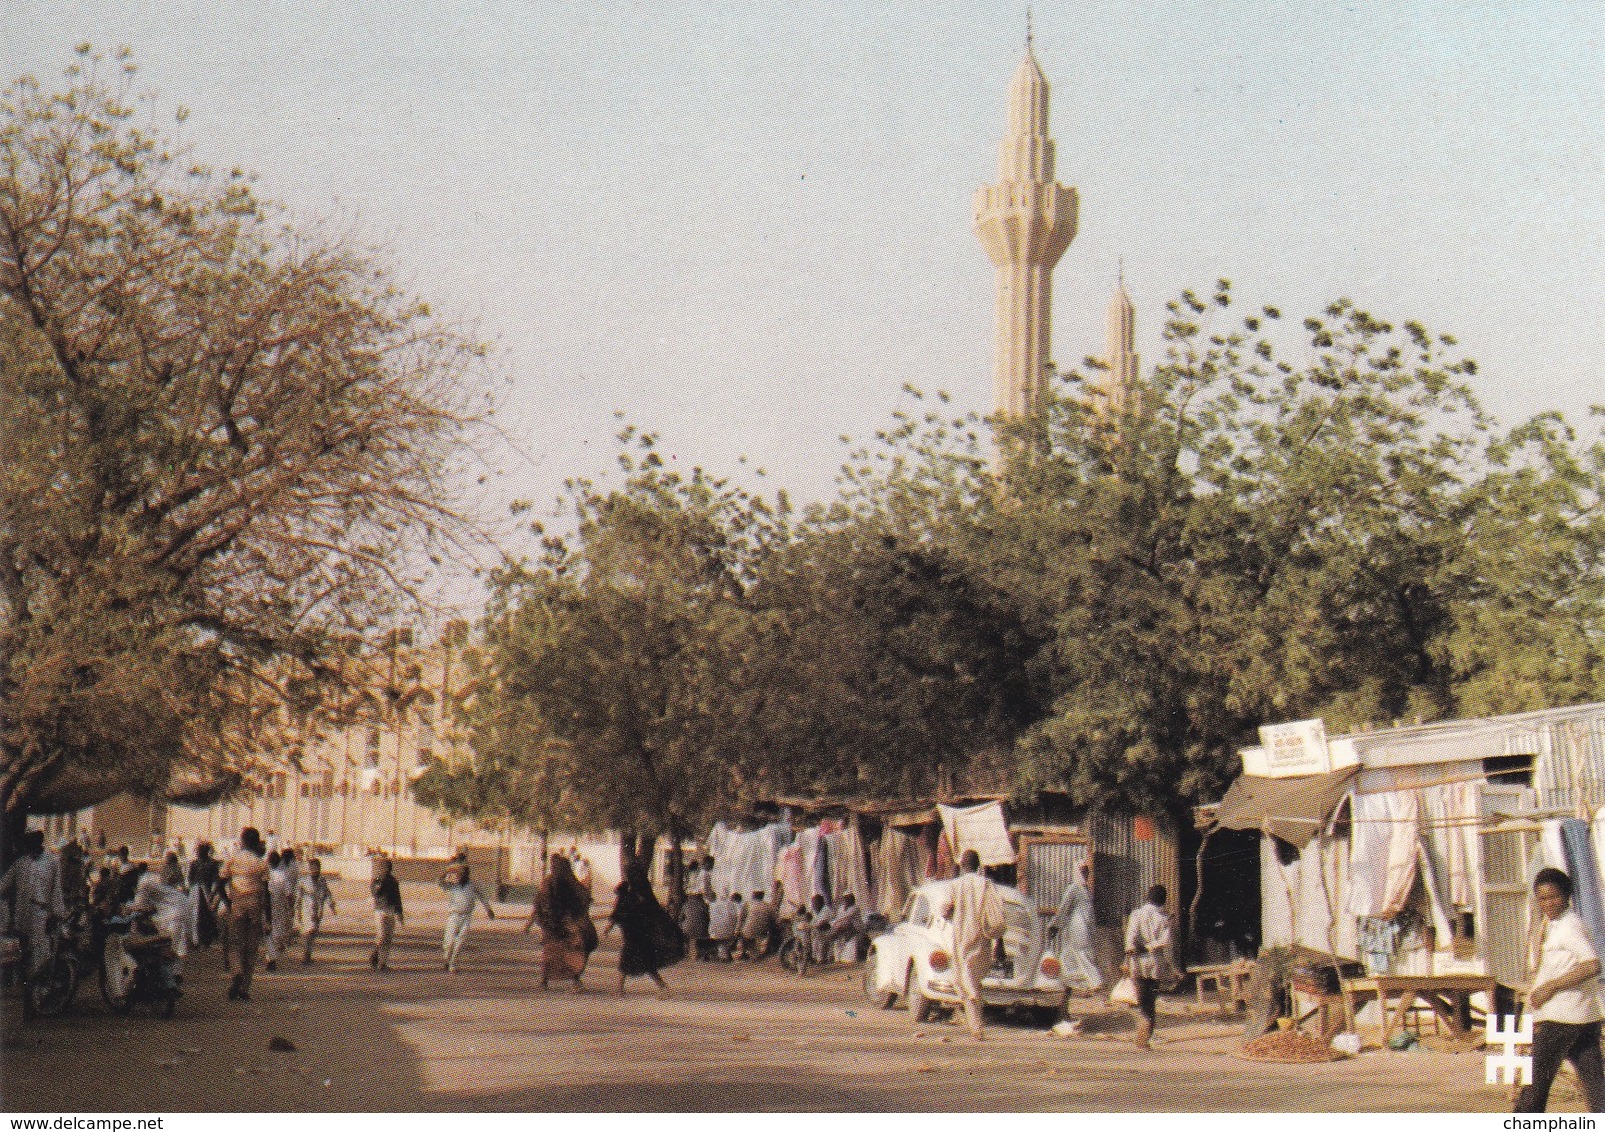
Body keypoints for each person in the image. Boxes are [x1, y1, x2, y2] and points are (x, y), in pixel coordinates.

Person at [1516, 868, 1605, 1113]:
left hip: (1563, 1017)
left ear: (1566, 895)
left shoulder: (1569, 926)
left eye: (1554, 897)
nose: (1548, 903)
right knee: (1596, 1085)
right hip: (1583, 1017)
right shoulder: (1553, 924)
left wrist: (1550, 987)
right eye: (1542, 898)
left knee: (1536, 1084)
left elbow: (1592, 965)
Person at [939, 851, 1006, 1040]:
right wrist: (999, 942)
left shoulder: (954, 885)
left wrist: (952, 910)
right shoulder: (986, 884)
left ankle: (976, 1025)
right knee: (973, 978)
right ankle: (976, 1026)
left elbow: (944, 911)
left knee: (966, 979)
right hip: (982, 937)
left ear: (962, 865)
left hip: (961, 936)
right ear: (979, 866)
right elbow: (997, 916)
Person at [603, 862, 680, 997]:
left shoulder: (627, 894)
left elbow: (617, 913)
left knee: (631, 960)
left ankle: (621, 989)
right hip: (643, 933)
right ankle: (659, 987)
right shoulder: (643, 893)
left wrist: (608, 928)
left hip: (631, 935)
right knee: (644, 961)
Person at [0, 831, 67, 980]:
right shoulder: (21, 863)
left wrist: (56, 913)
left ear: (39, 843)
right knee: (23, 947)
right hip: (23, 910)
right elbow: (5, 883)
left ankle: (40, 983)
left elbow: (56, 890)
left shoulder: (52, 862)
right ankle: (25, 980)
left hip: (41, 911)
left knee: (40, 949)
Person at [523, 853, 594, 989]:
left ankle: (549, 981)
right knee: (565, 952)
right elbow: (583, 898)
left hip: (555, 924)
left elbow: (539, 905)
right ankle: (573, 980)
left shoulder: (553, 882)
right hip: (563, 923)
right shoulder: (565, 881)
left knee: (554, 952)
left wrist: (530, 924)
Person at [219, 827, 270, 1001]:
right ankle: (244, 988)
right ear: (256, 842)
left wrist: (228, 902)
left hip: (237, 907)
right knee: (251, 949)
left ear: (242, 841)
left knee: (234, 945)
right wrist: (268, 917)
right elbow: (266, 892)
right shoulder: (261, 863)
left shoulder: (232, 860)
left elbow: (220, 884)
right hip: (255, 908)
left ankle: (237, 972)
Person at [1123, 884, 1175, 1051]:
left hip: (1137, 963)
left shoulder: (1136, 915)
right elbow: (1165, 942)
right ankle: (1146, 1036)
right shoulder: (1163, 919)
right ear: (1163, 900)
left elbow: (1130, 938)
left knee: (1141, 998)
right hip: (1154, 964)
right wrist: (1150, 946)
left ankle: (1142, 1029)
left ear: (1148, 897)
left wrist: (1133, 951)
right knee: (1150, 1002)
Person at [1049, 863, 1103, 992]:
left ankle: (1094, 982)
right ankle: (1073, 982)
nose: (1085, 874)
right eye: (1082, 871)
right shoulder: (1073, 888)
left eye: (1086, 871)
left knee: (1079, 954)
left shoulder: (1086, 890)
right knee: (1073, 955)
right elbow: (1064, 908)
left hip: (1084, 927)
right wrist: (1055, 925)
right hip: (1076, 927)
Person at [438, 855, 495, 973]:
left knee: (461, 940)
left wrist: (488, 909)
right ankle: (447, 958)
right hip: (454, 915)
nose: (463, 874)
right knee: (449, 941)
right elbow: (440, 884)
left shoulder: (473, 884)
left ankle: (453, 964)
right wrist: (447, 871)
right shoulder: (452, 882)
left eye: (465, 872)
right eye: (461, 872)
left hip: (467, 916)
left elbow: (482, 896)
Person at [264, 848, 299, 971]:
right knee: (276, 932)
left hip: (269, 905)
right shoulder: (280, 875)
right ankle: (271, 957)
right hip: (277, 905)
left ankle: (271, 956)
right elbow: (289, 894)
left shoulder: (268, 874)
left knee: (270, 932)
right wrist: (290, 908)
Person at [297, 858, 337, 965]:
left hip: (318, 909)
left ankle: (308, 955)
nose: (315, 870)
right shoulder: (303, 881)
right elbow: (299, 897)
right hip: (307, 909)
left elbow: (327, 893)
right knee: (309, 931)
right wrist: (297, 910)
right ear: (310, 869)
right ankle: (305, 956)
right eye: (313, 868)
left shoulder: (322, 881)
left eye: (317, 868)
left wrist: (331, 905)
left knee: (313, 932)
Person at [369, 855, 404, 971]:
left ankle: (383, 963)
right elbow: (375, 892)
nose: (386, 869)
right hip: (380, 910)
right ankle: (375, 953)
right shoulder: (378, 879)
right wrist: (380, 882)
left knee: (388, 938)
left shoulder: (393, 881)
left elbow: (397, 897)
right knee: (381, 936)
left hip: (390, 910)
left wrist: (399, 913)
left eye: (388, 867)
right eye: (384, 867)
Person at [187, 842, 222, 952]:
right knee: (195, 916)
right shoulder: (194, 863)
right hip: (196, 892)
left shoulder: (212, 863)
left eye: (200, 851)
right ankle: (196, 940)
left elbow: (216, 879)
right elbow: (190, 878)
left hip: (207, 892)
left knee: (205, 917)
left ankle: (205, 940)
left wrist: (212, 893)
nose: (198, 853)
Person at [738, 890, 778, 960]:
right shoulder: (768, 906)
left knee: (743, 934)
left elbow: (741, 918)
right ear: (762, 897)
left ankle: (744, 953)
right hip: (763, 931)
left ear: (753, 896)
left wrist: (737, 930)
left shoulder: (748, 904)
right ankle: (765, 950)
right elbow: (775, 919)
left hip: (748, 932)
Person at [707, 889, 740, 962]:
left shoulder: (712, 905)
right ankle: (725, 955)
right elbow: (735, 917)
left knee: (720, 939)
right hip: (729, 932)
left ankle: (722, 955)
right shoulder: (732, 904)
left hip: (715, 932)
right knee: (727, 937)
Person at [679, 890, 710, 960]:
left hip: (687, 928)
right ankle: (701, 954)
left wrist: (681, 926)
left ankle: (690, 953)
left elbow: (680, 918)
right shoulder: (704, 905)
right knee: (702, 936)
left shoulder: (685, 905)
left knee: (689, 936)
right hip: (701, 928)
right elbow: (708, 917)